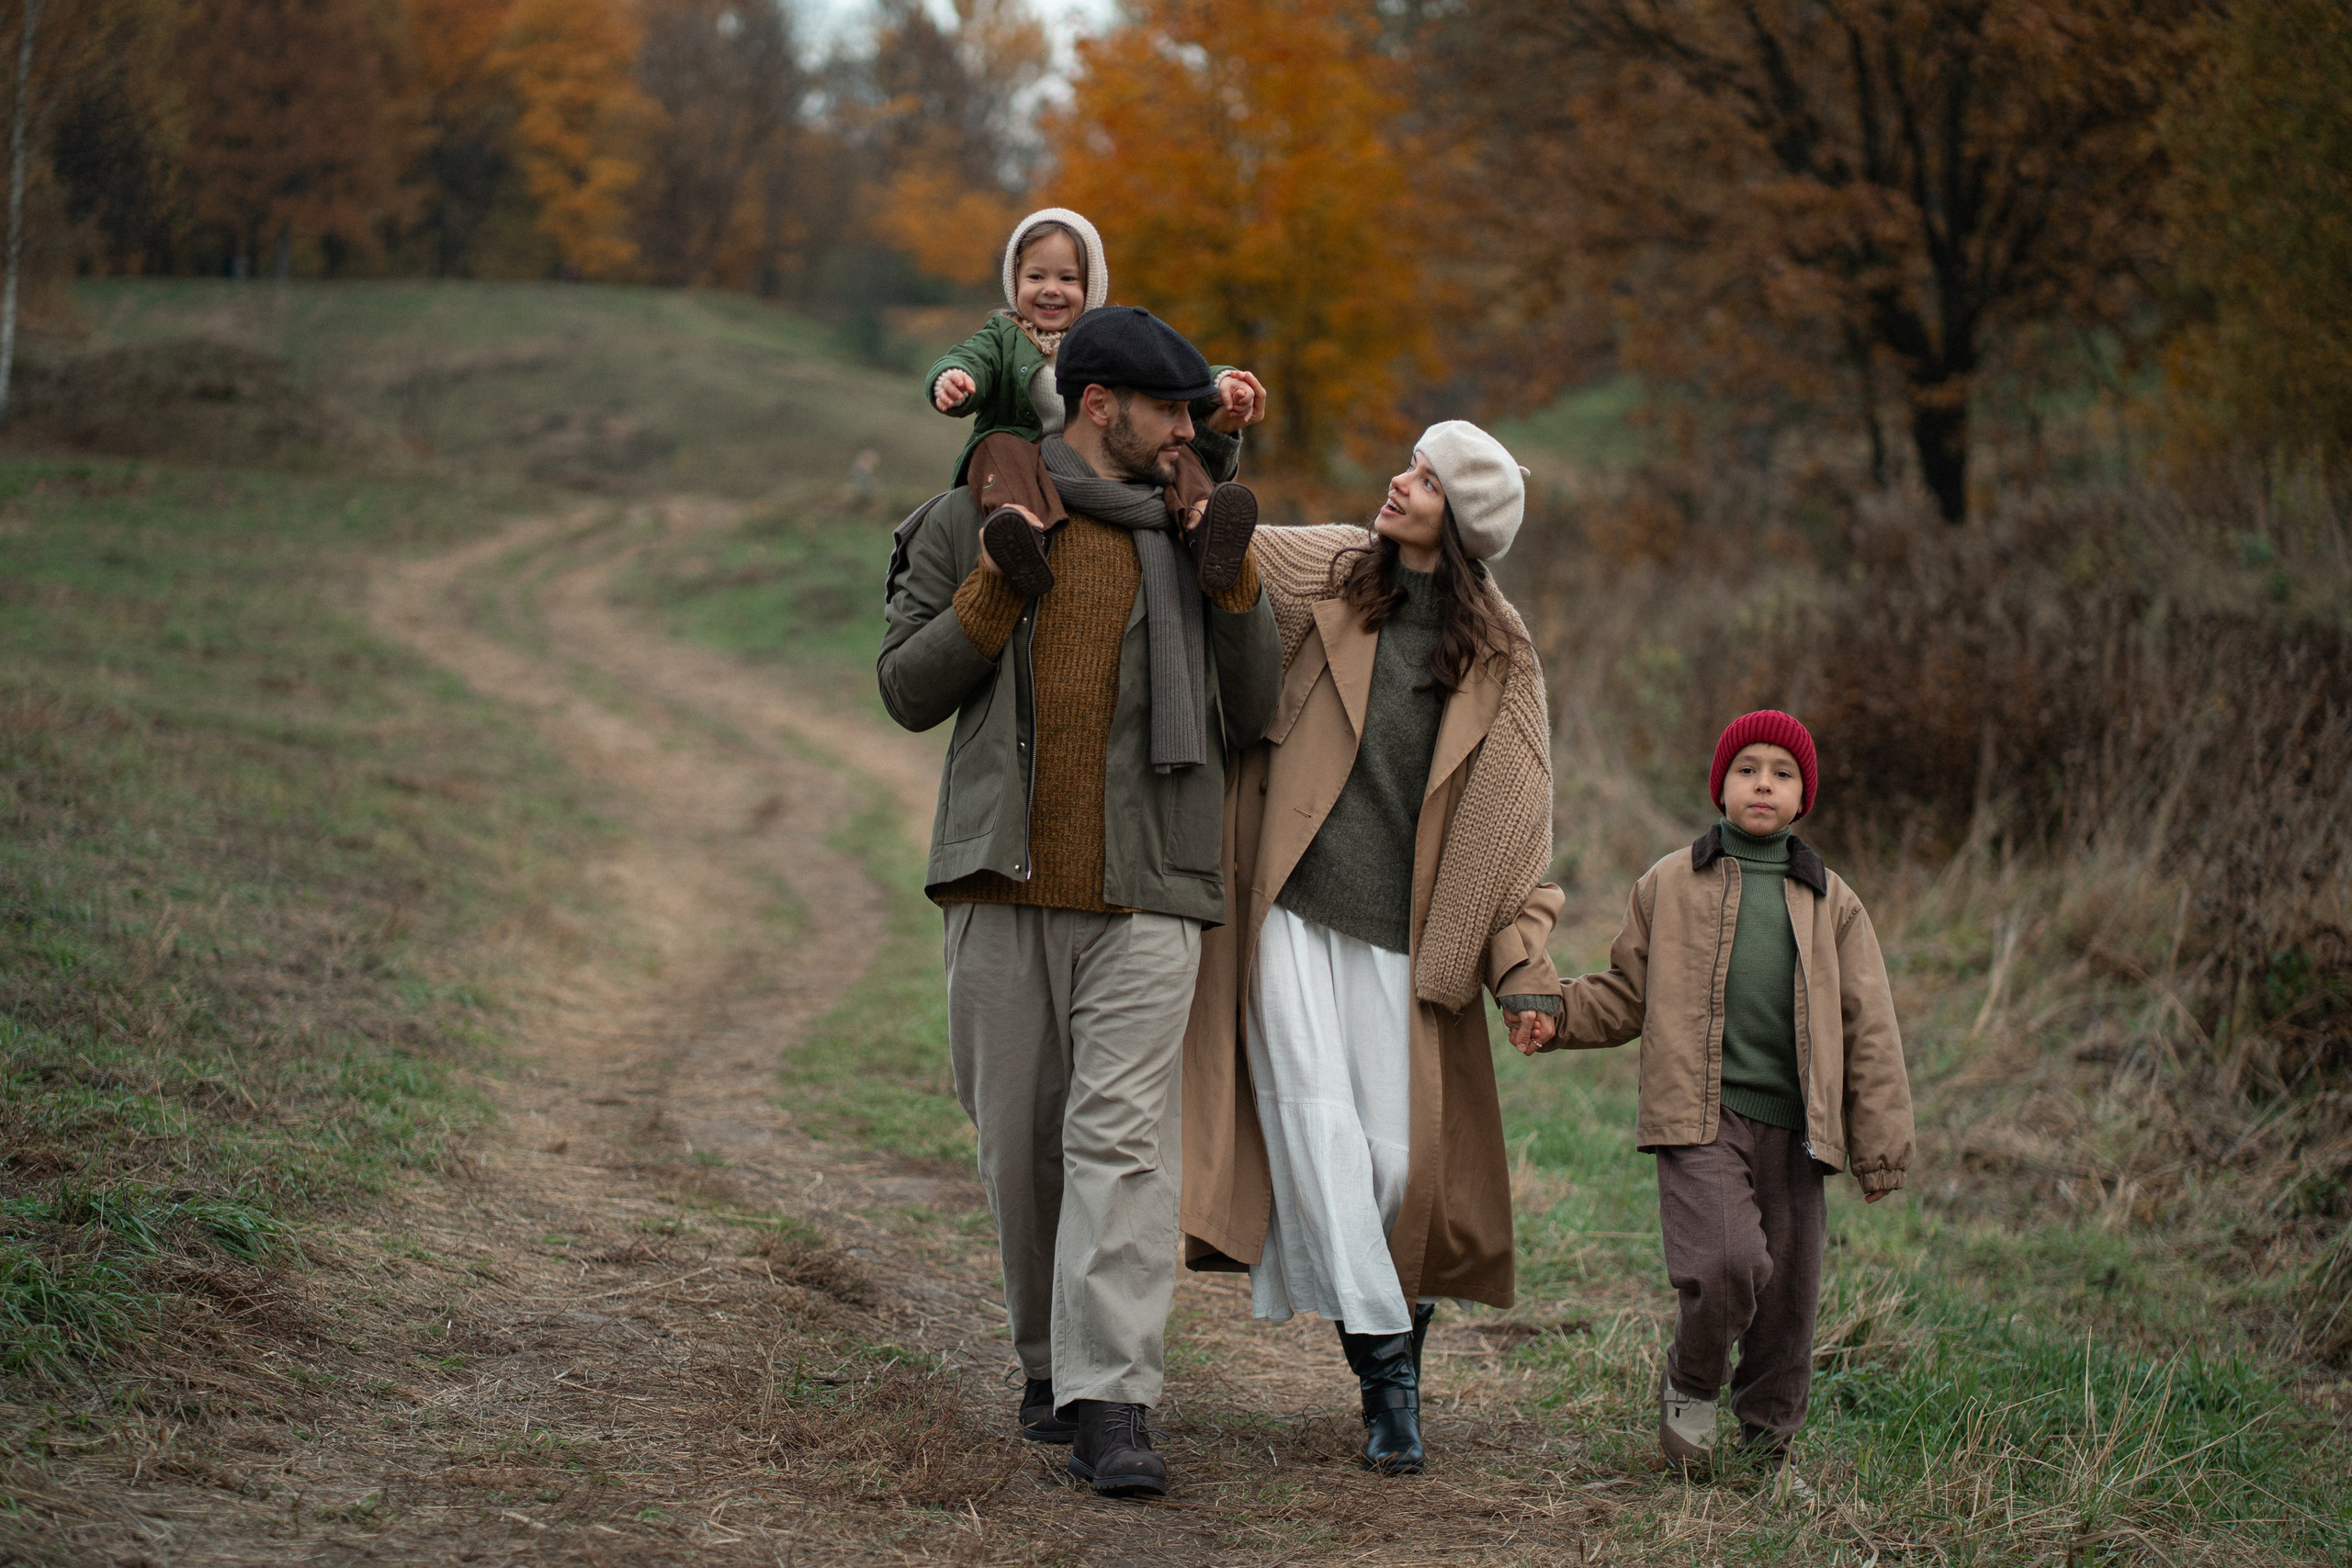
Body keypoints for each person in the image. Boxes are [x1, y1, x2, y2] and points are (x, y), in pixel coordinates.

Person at [877, 305, 1282, 1500]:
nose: (1187, 431)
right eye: (1170, 410)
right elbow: (905, 688)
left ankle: (1115, 1396)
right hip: (999, 885)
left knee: (1120, 1142)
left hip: (1150, 891)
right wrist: (996, 589)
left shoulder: (1191, 527)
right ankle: (1048, 1364)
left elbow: (1255, 708)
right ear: (1099, 402)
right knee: (1021, 1148)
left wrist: (1234, 578)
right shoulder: (970, 514)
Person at [1180, 421, 1566, 1476]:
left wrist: (1518, 964)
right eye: (1410, 466)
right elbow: (1226, 538)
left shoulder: (1501, 655)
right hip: (1290, 910)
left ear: (1465, 519)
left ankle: (1391, 1344)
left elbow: (1514, 830)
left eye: (1427, 480)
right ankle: (1389, 1386)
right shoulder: (1339, 569)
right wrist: (1217, 433)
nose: (1400, 484)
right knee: (1320, 1141)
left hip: (1407, 943)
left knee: (1401, 1170)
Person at [1526, 711, 1915, 1495]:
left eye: (1781, 770)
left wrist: (1879, 1147)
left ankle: (1769, 1452)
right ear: (1721, 786)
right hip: (1700, 1116)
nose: (1762, 781)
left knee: (1789, 1300)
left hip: (1800, 1133)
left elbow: (1869, 1028)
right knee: (1728, 1263)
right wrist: (1557, 1012)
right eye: (1746, 768)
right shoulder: (1671, 882)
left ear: (1804, 796)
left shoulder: (1832, 902)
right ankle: (1691, 1387)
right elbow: (1626, 993)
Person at [923, 208, 1266, 514]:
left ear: (1093, 285)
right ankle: (1015, 523)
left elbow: (1166, 373)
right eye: (1036, 277)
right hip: (1030, 460)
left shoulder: (1108, 337)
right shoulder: (1003, 336)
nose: (1051, 289)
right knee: (996, 446)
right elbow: (973, 360)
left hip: (1097, 454)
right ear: (1015, 282)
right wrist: (955, 378)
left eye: (1067, 278)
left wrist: (1221, 384)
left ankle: (1205, 516)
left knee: (1176, 445)